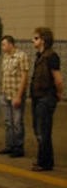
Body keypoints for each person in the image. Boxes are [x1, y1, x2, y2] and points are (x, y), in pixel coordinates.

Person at [30, 27, 63, 171]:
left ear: (43, 40)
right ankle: (42, 159)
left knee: (43, 131)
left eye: (36, 38)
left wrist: (59, 94)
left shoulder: (52, 56)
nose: (33, 40)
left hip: (46, 97)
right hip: (38, 97)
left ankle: (45, 163)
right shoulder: (40, 56)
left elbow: (58, 79)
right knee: (39, 129)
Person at [0, 35, 29, 157]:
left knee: (17, 122)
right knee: (8, 122)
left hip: (16, 94)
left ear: (11, 44)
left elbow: (24, 77)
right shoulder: (5, 57)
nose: (2, 47)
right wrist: (2, 92)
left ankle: (18, 147)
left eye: (4, 44)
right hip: (6, 94)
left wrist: (19, 96)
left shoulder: (21, 56)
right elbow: (5, 75)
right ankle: (9, 145)